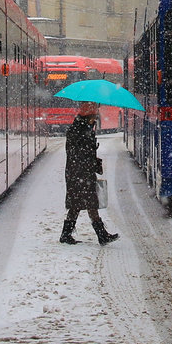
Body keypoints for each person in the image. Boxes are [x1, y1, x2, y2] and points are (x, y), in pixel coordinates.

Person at [60, 101, 119, 245]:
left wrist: (93, 158)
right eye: (94, 115)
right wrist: (93, 160)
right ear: (88, 116)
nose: (96, 118)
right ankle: (101, 235)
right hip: (80, 173)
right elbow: (80, 154)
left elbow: (83, 153)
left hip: (79, 173)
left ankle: (67, 234)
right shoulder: (79, 131)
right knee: (88, 203)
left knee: (79, 204)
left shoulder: (82, 128)